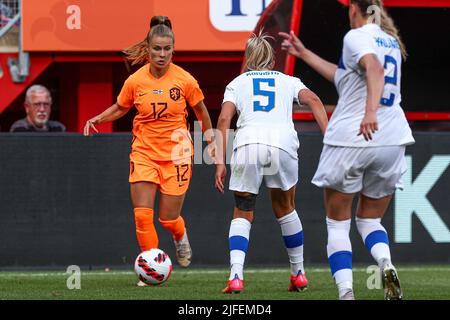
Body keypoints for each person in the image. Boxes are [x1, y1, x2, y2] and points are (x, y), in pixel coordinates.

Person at [280, 0, 414, 300]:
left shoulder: (356, 36)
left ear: (354, 8)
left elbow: (375, 71)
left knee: (337, 224)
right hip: (392, 138)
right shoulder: (389, 40)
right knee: (369, 220)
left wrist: (370, 113)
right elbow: (345, 77)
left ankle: (346, 293)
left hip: (353, 136)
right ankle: (385, 263)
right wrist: (304, 54)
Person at [84, 16, 215, 285]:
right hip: (144, 151)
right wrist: (99, 117)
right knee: (142, 215)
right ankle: (150, 268)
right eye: (157, 49)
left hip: (177, 153)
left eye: (167, 49)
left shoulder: (185, 80)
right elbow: (122, 106)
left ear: (173, 49)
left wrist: (210, 139)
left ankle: (180, 236)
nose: (162, 54)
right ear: (149, 48)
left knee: (168, 218)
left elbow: (200, 110)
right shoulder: (136, 80)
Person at [215, 31, 328, 294]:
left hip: (248, 144)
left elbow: (223, 120)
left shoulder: (237, 83)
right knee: (286, 208)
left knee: (243, 210)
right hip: (282, 145)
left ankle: (235, 277)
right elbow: (314, 100)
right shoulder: (289, 81)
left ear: (249, 59)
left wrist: (219, 161)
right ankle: (298, 274)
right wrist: (330, 139)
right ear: (272, 60)